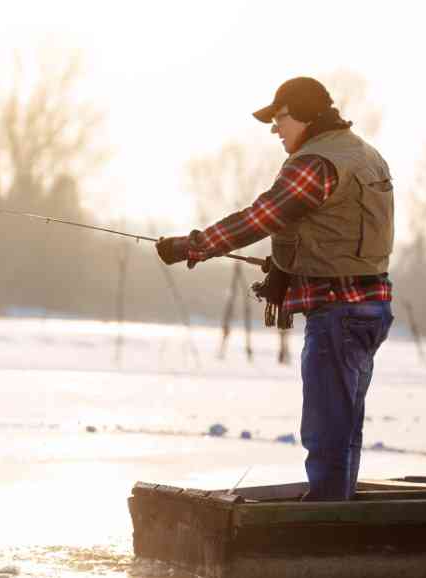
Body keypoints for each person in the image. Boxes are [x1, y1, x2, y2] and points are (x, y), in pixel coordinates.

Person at [156, 77, 395, 501]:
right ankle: (336, 514)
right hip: (369, 308)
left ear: (304, 114)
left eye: (279, 118)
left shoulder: (316, 162)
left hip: (338, 315)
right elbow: (332, 230)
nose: (275, 129)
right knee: (344, 430)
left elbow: (262, 217)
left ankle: (324, 529)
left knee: (326, 432)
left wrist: (194, 246)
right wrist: (286, 269)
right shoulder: (363, 153)